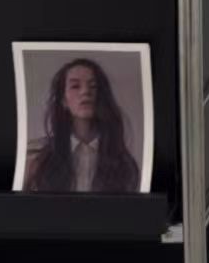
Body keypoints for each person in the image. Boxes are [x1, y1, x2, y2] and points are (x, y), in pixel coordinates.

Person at [23, 57, 140, 192]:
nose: (85, 92)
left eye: (93, 86)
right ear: (63, 100)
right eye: (75, 86)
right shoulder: (39, 160)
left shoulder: (122, 163)